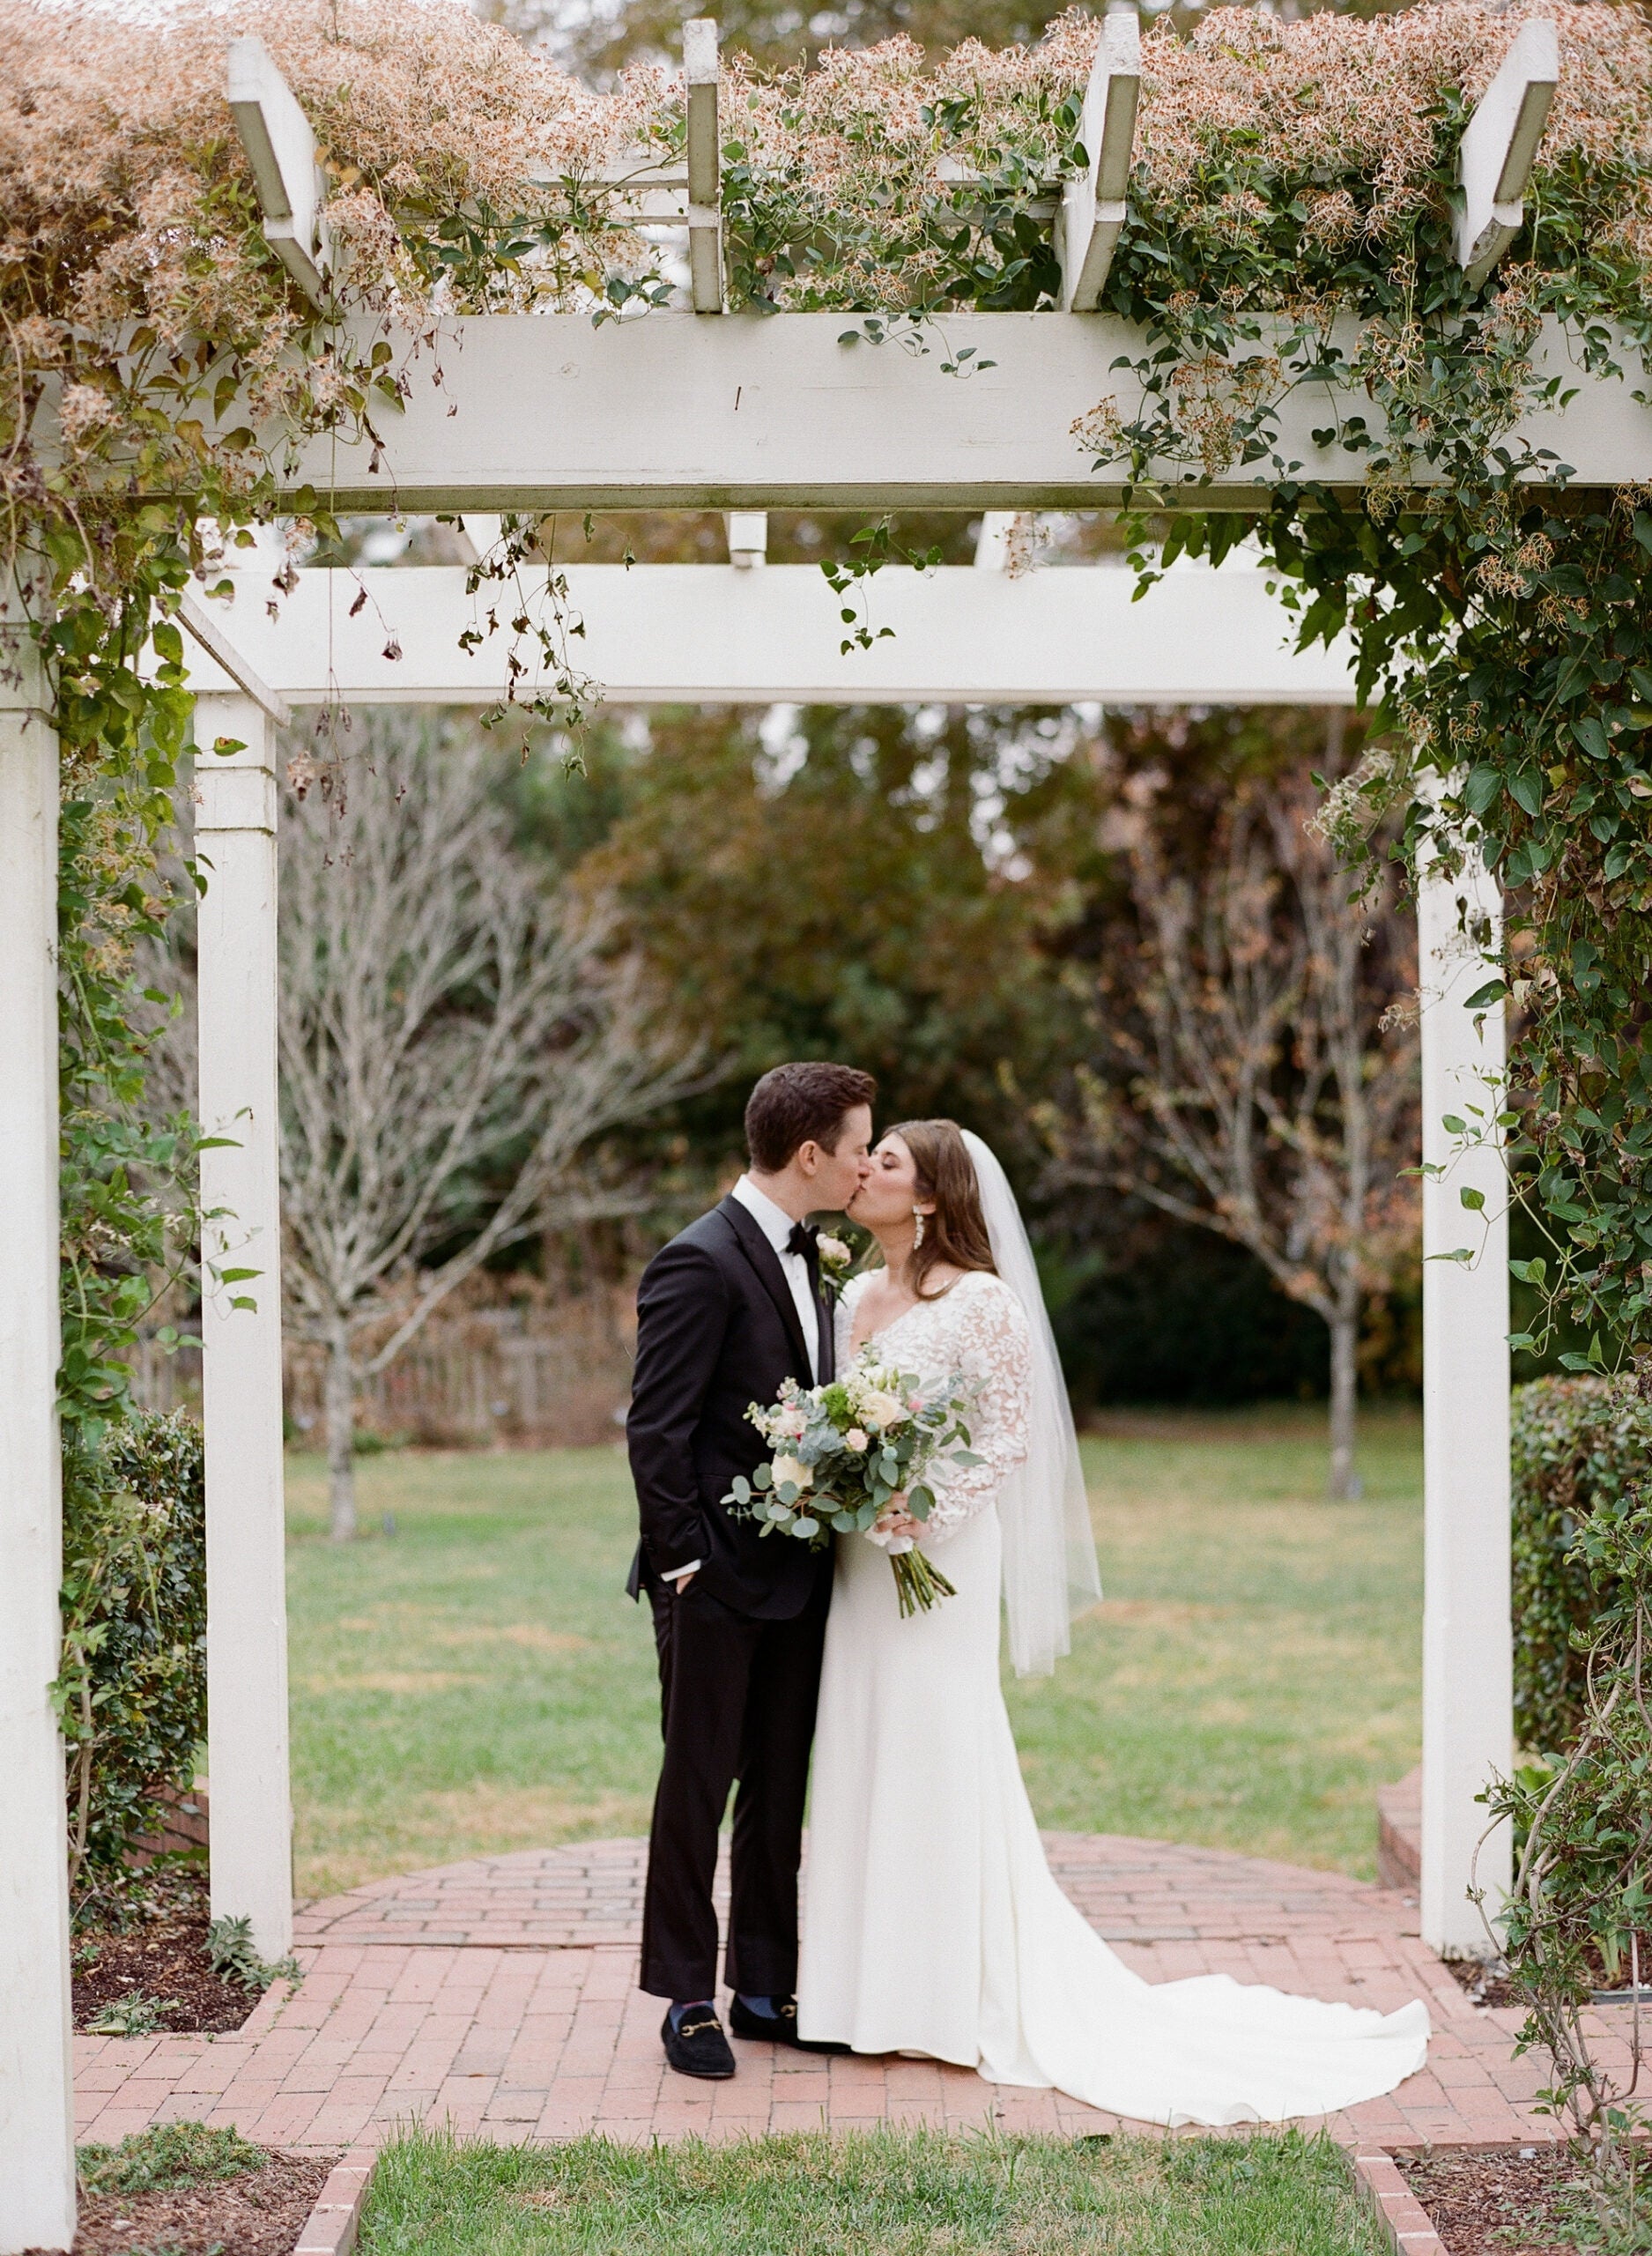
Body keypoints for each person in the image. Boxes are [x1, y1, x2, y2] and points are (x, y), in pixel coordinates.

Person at [795, 1118, 1431, 2126]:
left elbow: (1013, 1434)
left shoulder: (983, 1302)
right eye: (866, 1160)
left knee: (939, 1744)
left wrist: (929, 1511)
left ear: (927, 1197)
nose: (863, 1172)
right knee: (866, 1741)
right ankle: (862, 1992)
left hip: (940, 1556)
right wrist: (841, 1490)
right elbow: (836, 1421)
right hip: (862, 1562)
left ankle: (951, 1992)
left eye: (886, 1162)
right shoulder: (850, 1296)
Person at [626, 1061, 875, 2079]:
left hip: (801, 1574)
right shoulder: (698, 1260)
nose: (867, 1161)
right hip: (715, 1581)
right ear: (810, 1154)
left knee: (778, 1785)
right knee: (697, 1782)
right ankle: (687, 1997)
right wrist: (686, 1563)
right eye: (859, 1144)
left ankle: (765, 1983)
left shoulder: (813, 1260)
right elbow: (657, 1428)